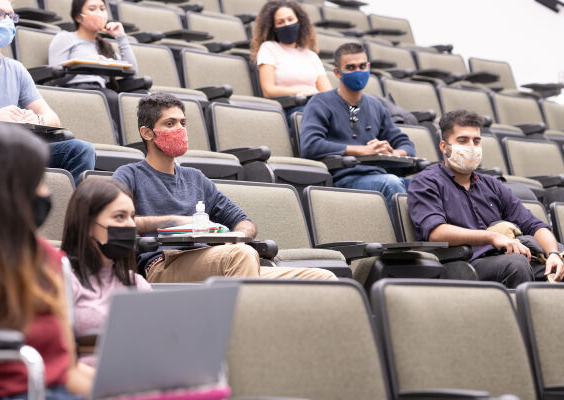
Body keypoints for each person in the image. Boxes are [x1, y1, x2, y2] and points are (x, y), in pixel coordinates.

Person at [112, 92, 336, 282]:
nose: (180, 129)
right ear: (147, 133)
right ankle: (243, 332)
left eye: (183, 123)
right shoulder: (129, 174)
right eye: (170, 124)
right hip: (162, 264)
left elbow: (244, 221)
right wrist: (174, 221)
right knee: (241, 255)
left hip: (217, 258)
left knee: (323, 279)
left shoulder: (195, 178)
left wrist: (236, 235)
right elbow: (114, 221)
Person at [0, 120, 93, 398]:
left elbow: (67, 371)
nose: (46, 194)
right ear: (3, 191)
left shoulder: (48, 258)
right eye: (39, 183)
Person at [407, 110, 564, 288]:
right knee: (516, 264)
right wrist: (491, 237)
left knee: (557, 267)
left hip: (504, 259)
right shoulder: (426, 181)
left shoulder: (491, 185)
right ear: (444, 146)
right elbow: (436, 233)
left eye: (476, 141)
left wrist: (553, 253)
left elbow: (534, 225)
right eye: (462, 140)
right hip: (460, 263)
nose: (471, 147)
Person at [0, 0, 96, 185]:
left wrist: (35, 120)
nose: (8, 20)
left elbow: (52, 118)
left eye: (11, 16)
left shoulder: (16, 69)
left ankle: (72, 213)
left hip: (12, 149)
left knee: (81, 150)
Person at [300, 42, 415, 214]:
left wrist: (393, 153)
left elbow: (406, 144)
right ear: (337, 72)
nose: (358, 72)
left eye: (362, 66)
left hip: (378, 175)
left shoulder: (376, 106)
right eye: (351, 67)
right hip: (344, 179)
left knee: (426, 185)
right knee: (390, 183)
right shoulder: (320, 102)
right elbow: (311, 145)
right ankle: (409, 240)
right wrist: (362, 150)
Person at [61, 178, 151, 366]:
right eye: (119, 217)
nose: (130, 225)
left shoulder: (136, 283)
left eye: (131, 217)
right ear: (87, 224)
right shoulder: (63, 279)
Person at [48, 0, 139, 129]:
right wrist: (85, 62)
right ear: (79, 17)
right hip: (73, 91)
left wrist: (121, 37)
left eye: (102, 9)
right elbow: (56, 75)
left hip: (101, 92)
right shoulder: (65, 38)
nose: (99, 13)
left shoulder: (104, 46)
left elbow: (132, 71)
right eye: (92, 9)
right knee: (110, 97)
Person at [251, 0, 332, 125]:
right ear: (274, 27)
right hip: (292, 109)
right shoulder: (268, 48)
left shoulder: (311, 55)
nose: (287, 24)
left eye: (290, 19)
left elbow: (327, 92)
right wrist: (300, 90)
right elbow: (268, 90)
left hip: (317, 107)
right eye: (280, 22)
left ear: (299, 22)